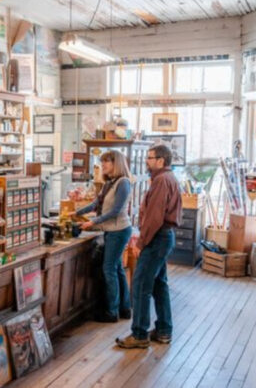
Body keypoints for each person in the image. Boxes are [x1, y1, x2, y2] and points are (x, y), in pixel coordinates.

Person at [116, 144, 182, 349]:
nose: (147, 161)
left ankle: (139, 334)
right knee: (159, 284)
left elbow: (154, 217)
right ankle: (163, 330)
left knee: (141, 285)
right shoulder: (168, 178)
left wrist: (141, 242)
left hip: (156, 239)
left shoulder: (161, 180)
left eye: (150, 158)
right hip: (163, 237)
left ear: (161, 161)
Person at [76, 151, 133, 323]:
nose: (104, 166)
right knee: (116, 269)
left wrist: (93, 222)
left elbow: (115, 211)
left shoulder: (123, 183)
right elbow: (96, 204)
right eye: (102, 163)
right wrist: (77, 212)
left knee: (109, 269)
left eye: (107, 162)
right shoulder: (109, 183)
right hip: (112, 230)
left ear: (117, 163)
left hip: (119, 230)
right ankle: (124, 308)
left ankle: (111, 312)